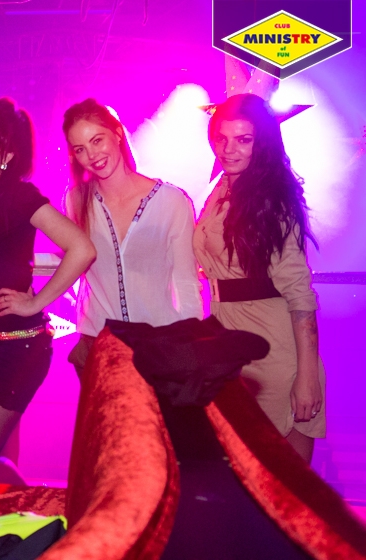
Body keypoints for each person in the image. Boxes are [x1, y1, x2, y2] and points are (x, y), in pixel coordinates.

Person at [0, 99, 96, 484]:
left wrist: (37, 301)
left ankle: (33, 512)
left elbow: (82, 249)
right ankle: (14, 517)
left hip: (20, 346)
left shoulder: (19, 197)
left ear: (7, 155)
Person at [193, 93, 325, 463]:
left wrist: (307, 376)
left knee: (284, 486)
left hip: (275, 354)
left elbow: (300, 295)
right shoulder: (222, 188)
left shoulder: (273, 199)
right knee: (240, 477)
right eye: (222, 138)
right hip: (230, 346)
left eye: (243, 139)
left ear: (262, 143)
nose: (228, 149)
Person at [62, 98, 203, 374]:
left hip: (159, 347)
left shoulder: (172, 201)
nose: (92, 155)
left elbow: (186, 283)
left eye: (97, 140)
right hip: (97, 347)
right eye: (80, 149)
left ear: (117, 134)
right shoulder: (76, 201)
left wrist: (190, 347)